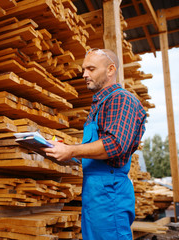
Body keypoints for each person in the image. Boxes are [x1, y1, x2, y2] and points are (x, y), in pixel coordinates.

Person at [43, 48, 146, 240]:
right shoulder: (100, 103)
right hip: (95, 192)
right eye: (84, 69)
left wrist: (72, 150)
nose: (84, 74)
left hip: (109, 191)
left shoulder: (121, 99)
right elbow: (95, 147)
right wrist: (62, 149)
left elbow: (115, 144)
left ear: (110, 70)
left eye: (91, 68)